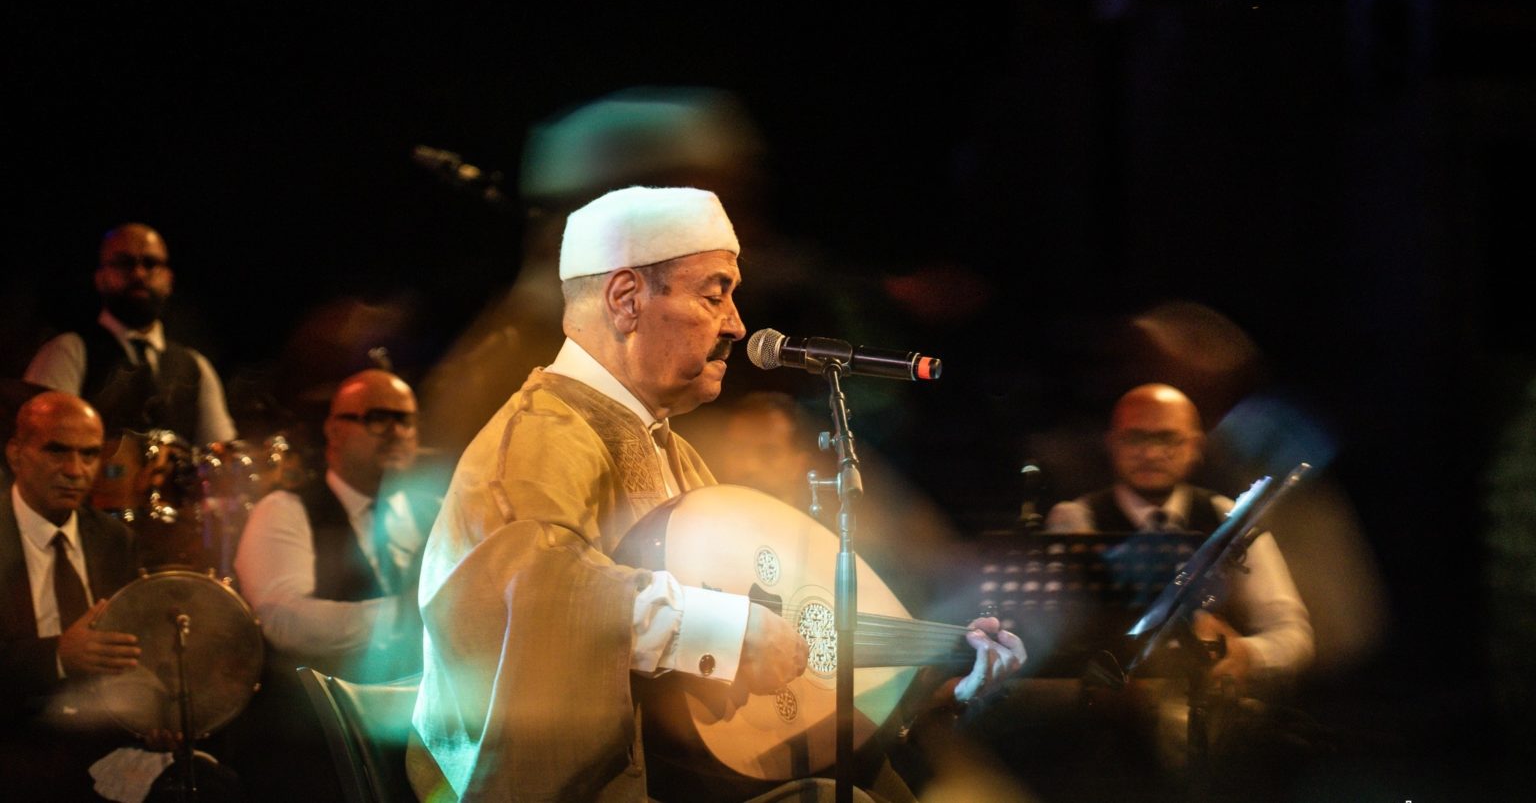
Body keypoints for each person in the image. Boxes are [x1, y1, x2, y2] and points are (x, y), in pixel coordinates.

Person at [409, 186, 1023, 802]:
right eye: (714, 294)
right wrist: (722, 629)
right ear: (626, 300)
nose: (737, 324)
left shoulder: (670, 449)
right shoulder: (538, 435)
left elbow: (767, 653)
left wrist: (928, 684)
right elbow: (535, 590)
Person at [228, 368, 439, 797]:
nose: (396, 432)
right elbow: (283, 620)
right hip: (319, 745)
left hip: (423, 734)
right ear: (333, 430)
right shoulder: (285, 509)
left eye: (406, 420)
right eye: (377, 418)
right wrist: (401, 619)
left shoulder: (435, 510)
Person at [1045, 382, 1314, 687]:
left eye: (1168, 439)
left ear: (1195, 447)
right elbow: (1048, 635)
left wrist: (1247, 654)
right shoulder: (1075, 519)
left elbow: (1292, 632)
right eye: (1134, 438)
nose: (1150, 453)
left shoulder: (1228, 517)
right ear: (1112, 444)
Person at [0, 392, 141, 801]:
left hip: (102, 733)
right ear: (16, 454)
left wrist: (157, 710)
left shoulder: (115, 540)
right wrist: (59, 656)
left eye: (89, 454)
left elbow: (133, 647)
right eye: (57, 451)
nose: (75, 471)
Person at [23, 222, 237, 446]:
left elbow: (220, 453)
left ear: (169, 279)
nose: (138, 273)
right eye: (124, 263)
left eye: (150, 263)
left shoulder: (196, 366)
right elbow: (40, 445)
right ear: (100, 278)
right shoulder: (68, 352)